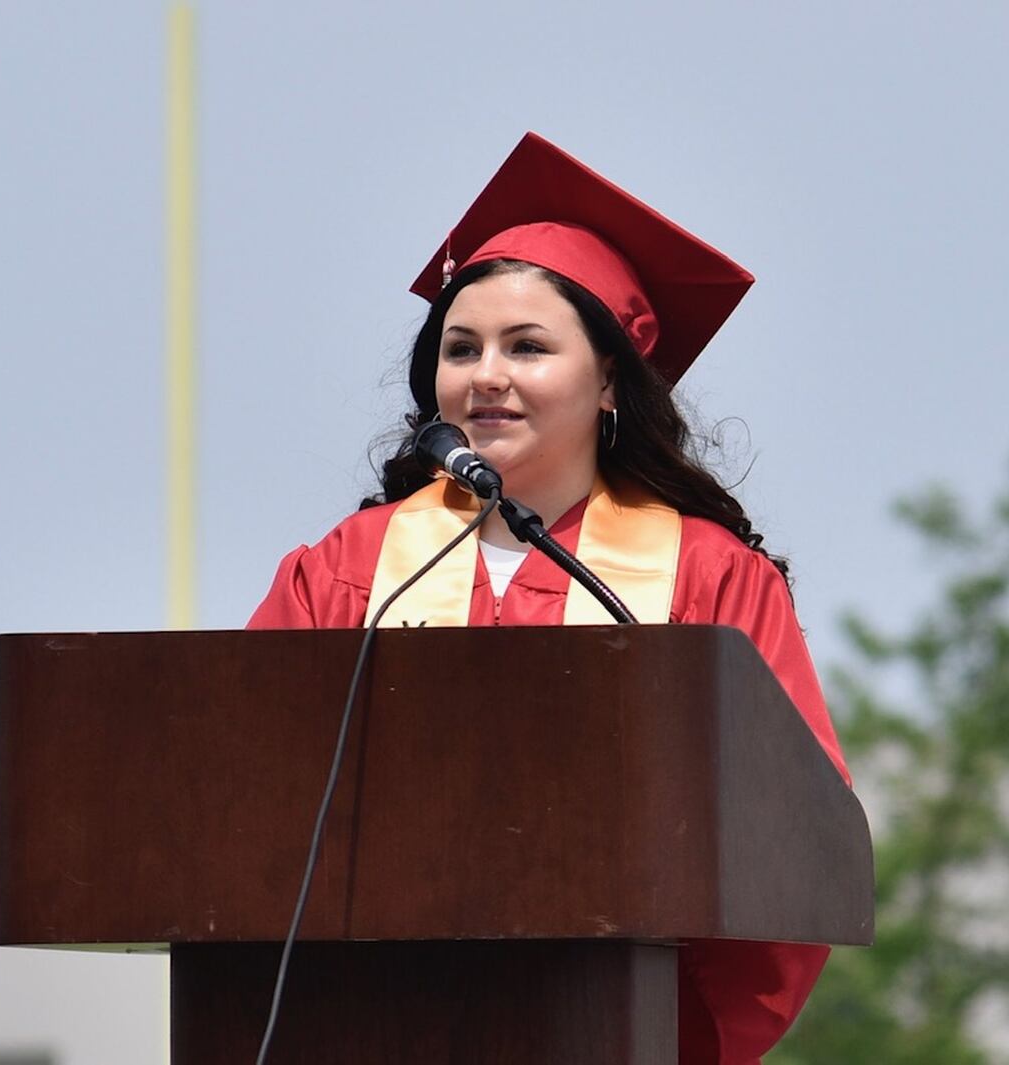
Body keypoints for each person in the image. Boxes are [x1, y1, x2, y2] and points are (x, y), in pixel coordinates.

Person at [247, 131, 849, 1064]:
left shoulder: (708, 577)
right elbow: (245, 798)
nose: (486, 375)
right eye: (461, 347)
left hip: (615, 1027)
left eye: (527, 346)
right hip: (369, 1026)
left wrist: (666, 1028)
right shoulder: (347, 568)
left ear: (609, 377)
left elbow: (790, 839)